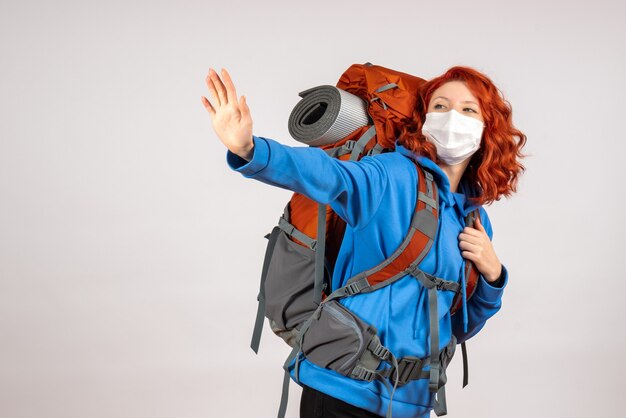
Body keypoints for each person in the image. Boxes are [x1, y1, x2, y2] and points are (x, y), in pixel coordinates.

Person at [201, 66, 526, 418]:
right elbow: (330, 175)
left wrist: (493, 277)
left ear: (488, 128)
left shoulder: (474, 220)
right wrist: (251, 150)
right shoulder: (392, 175)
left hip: (411, 405)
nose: (451, 118)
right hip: (342, 391)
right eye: (440, 107)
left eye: (468, 110)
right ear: (424, 120)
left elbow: (458, 327)